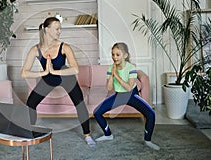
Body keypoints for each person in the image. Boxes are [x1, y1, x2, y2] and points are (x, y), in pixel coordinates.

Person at [21, 17, 96, 147]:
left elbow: (75, 69)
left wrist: (54, 71)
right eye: (57, 28)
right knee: (31, 102)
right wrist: (43, 73)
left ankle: (87, 135)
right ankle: (30, 132)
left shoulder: (64, 47)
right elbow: (24, 72)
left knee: (79, 103)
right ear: (46, 29)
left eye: (60, 28)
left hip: (66, 77)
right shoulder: (35, 50)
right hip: (48, 79)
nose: (60, 31)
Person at [93, 42, 160, 150]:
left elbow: (129, 88)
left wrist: (116, 75)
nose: (114, 57)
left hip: (131, 95)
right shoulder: (111, 68)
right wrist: (111, 75)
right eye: (113, 54)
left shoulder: (131, 67)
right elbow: (109, 88)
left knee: (151, 114)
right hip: (119, 95)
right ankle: (108, 134)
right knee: (97, 112)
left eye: (117, 55)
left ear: (125, 55)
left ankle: (148, 140)